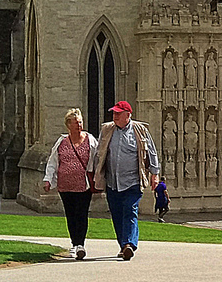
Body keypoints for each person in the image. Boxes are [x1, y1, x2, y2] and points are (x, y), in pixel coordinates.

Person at [92, 101, 160, 260]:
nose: (114, 116)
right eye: (113, 113)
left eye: (118, 113)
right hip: (112, 181)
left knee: (130, 210)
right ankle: (123, 245)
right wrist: (95, 173)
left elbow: (152, 152)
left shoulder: (140, 130)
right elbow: (99, 153)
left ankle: (129, 243)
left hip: (132, 181)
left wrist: (155, 174)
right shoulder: (107, 129)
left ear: (128, 115)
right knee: (116, 214)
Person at [43, 109, 97, 260]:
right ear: (68, 125)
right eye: (75, 123)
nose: (79, 125)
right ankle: (74, 244)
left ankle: (80, 244)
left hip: (83, 185)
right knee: (71, 214)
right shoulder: (62, 142)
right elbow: (53, 162)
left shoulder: (90, 140)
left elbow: (98, 158)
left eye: (80, 122)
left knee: (82, 213)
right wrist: (48, 179)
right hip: (65, 185)